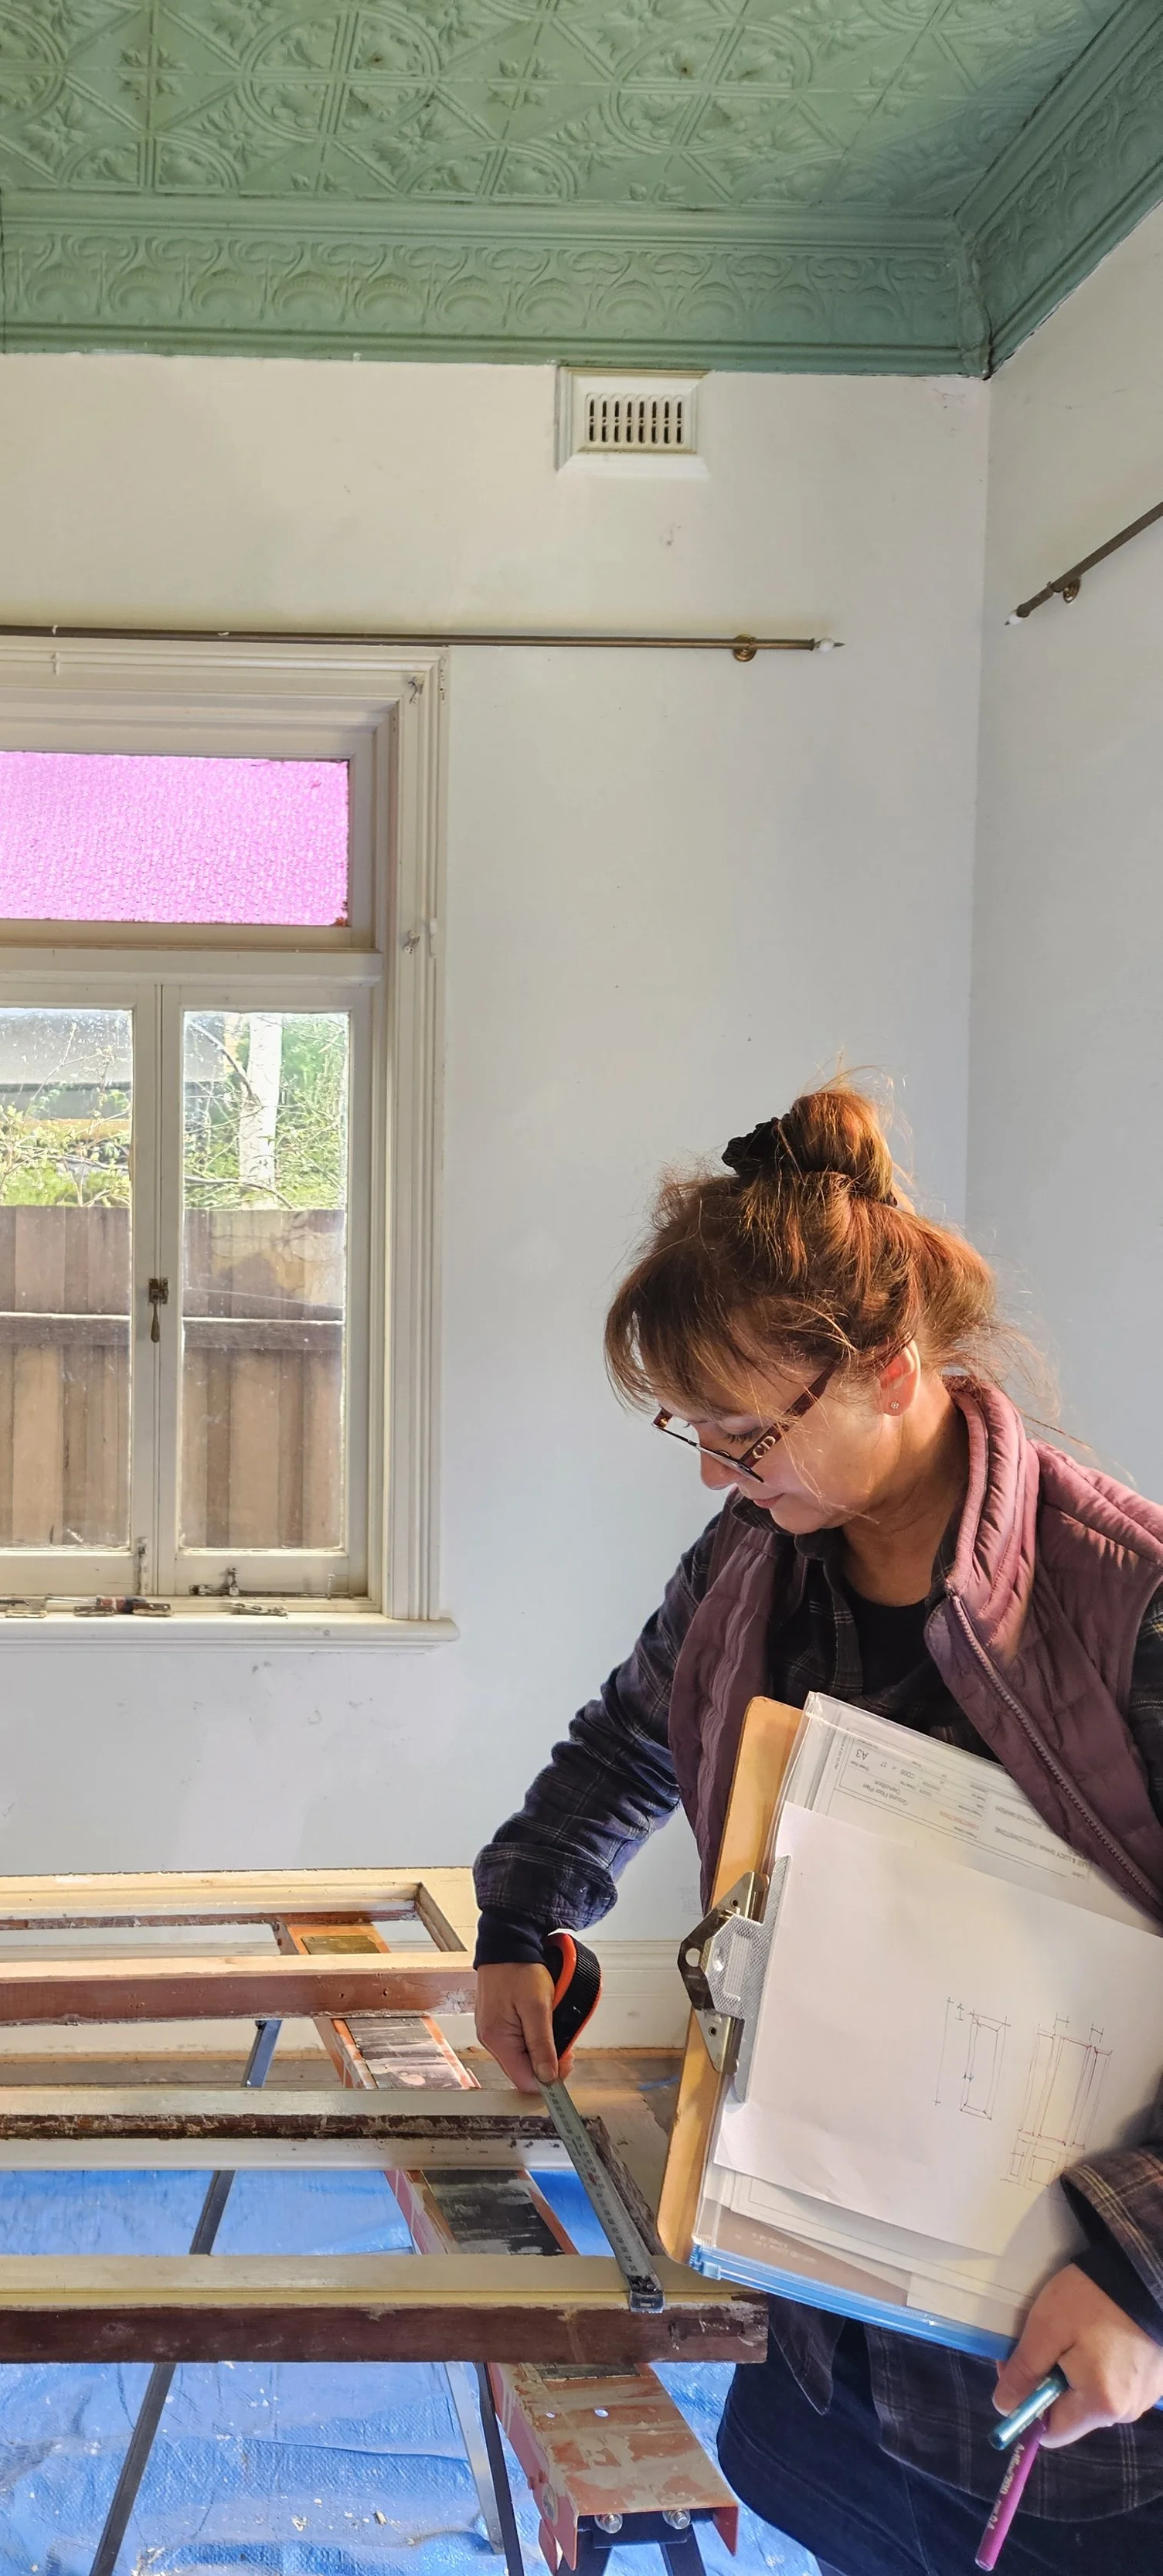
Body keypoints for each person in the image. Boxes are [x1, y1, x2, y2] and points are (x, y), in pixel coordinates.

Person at [472, 1081, 1163, 2576]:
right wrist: (527, 1916)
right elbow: (631, 1730)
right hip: (828, 2303)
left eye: (748, 1430)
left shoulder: (1127, 1605)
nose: (721, 1471)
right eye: (694, 1434)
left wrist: (1142, 2274)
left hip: (1066, 2340)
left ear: (893, 1368)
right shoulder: (759, 1555)